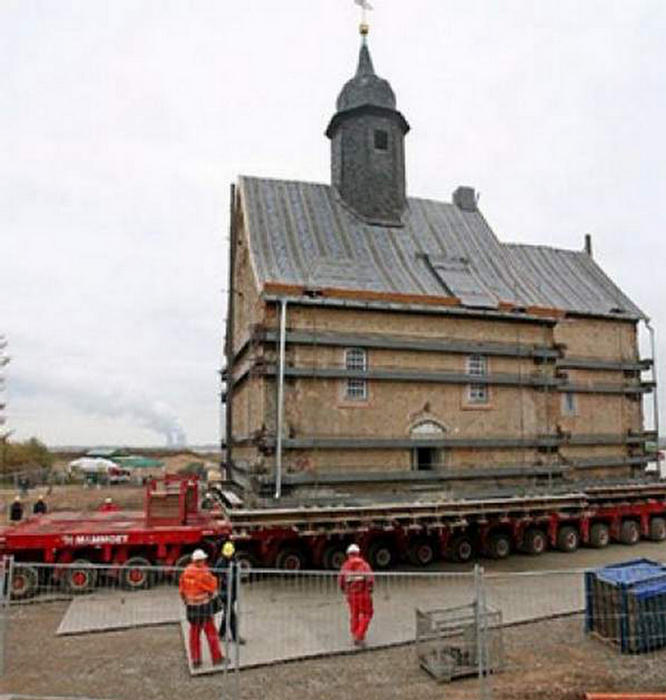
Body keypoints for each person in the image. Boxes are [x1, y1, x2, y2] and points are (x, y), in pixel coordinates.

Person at [179, 549, 224, 668]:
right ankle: (217, 658)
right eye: (204, 560)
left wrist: (187, 602)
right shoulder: (203, 573)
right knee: (211, 633)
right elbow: (213, 587)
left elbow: (181, 591)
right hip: (204, 608)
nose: (205, 561)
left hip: (191, 609)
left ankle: (196, 660)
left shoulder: (186, 572)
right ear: (200, 561)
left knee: (194, 635)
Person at [338, 543, 374, 647]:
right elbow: (370, 579)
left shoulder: (345, 566)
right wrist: (370, 589)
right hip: (364, 594)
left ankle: (355, 634)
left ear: (348, 554)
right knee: (367, 614)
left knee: (354, 614)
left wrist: (343, 590)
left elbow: (341, 580)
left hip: (351, 595)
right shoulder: (364, 565)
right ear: (358, 553)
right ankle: (360, 635)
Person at [217, 541, 245, 645]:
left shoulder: (233, 560)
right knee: (231, 615)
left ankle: (221, 633)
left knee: (227, 614)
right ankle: (235, 637)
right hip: (225, 593)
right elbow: (220, 576)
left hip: (232, 592)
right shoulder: (221, 563)